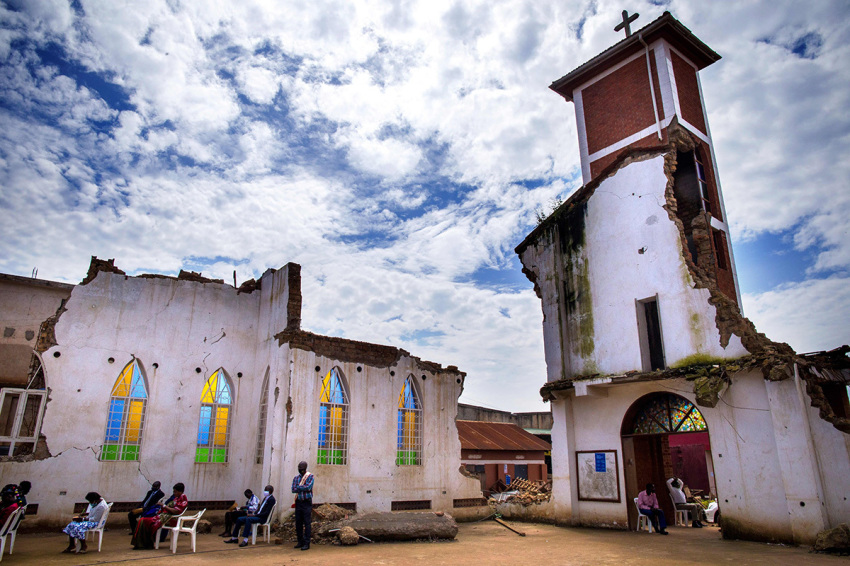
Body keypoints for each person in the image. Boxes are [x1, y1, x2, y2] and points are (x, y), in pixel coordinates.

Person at [131, 482, 188, 549]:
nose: (174, 493)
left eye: (175, 492)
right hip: (163, 516)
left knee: (144, 521)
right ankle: (141, 544)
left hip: (170, 518)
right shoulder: (176, 498)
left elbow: (176, 511)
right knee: (142, 520)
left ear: (180, 491)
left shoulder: (183, 499)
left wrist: (163, 505)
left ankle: (145, 544)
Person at [292, 461, 314, 550]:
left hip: (306, 502)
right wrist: (301, 488)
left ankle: (307, 543)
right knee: (298, 523)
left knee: (307, 523)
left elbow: (308, 487)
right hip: (299, 502)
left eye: (302, 469)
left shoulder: (310, 476)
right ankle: (300, 541)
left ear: (305, 468)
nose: (300, 470)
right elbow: (293, 489)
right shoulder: (296, 478)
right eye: (299, 468)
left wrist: (299, 487)